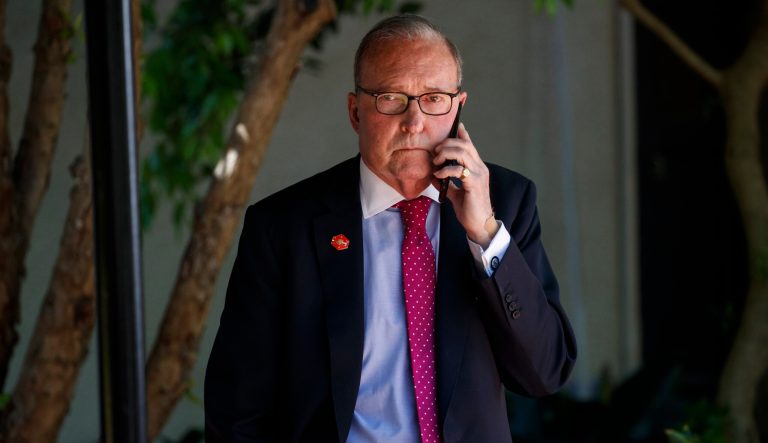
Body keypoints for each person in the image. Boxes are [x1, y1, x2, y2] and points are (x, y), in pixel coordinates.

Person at [204, 14, 577, 443]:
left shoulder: (506, 202)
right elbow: (237, 410)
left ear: (458, 107)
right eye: (392, 98)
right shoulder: (284, 227)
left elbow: (544, 372)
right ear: (355, 112)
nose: (414, 122)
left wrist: (485, 235)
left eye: (434, 98)